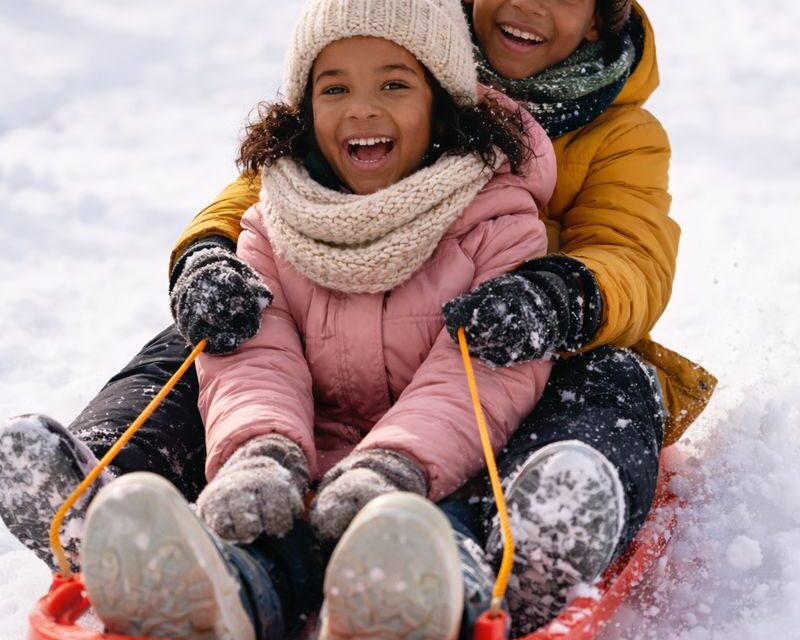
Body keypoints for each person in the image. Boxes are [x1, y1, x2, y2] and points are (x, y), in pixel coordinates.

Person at [0, 0, 718, 636]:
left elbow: (633, 250)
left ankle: (524, 543)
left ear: (599, 16)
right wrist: (207, 260)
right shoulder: (391, 38)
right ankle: (103, 492)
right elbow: (262, 195)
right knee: (219, 324)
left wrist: (562, 295)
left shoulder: (617, 135)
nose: (524, 6)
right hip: (329, 335)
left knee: (615, 380)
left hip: (510, 335)